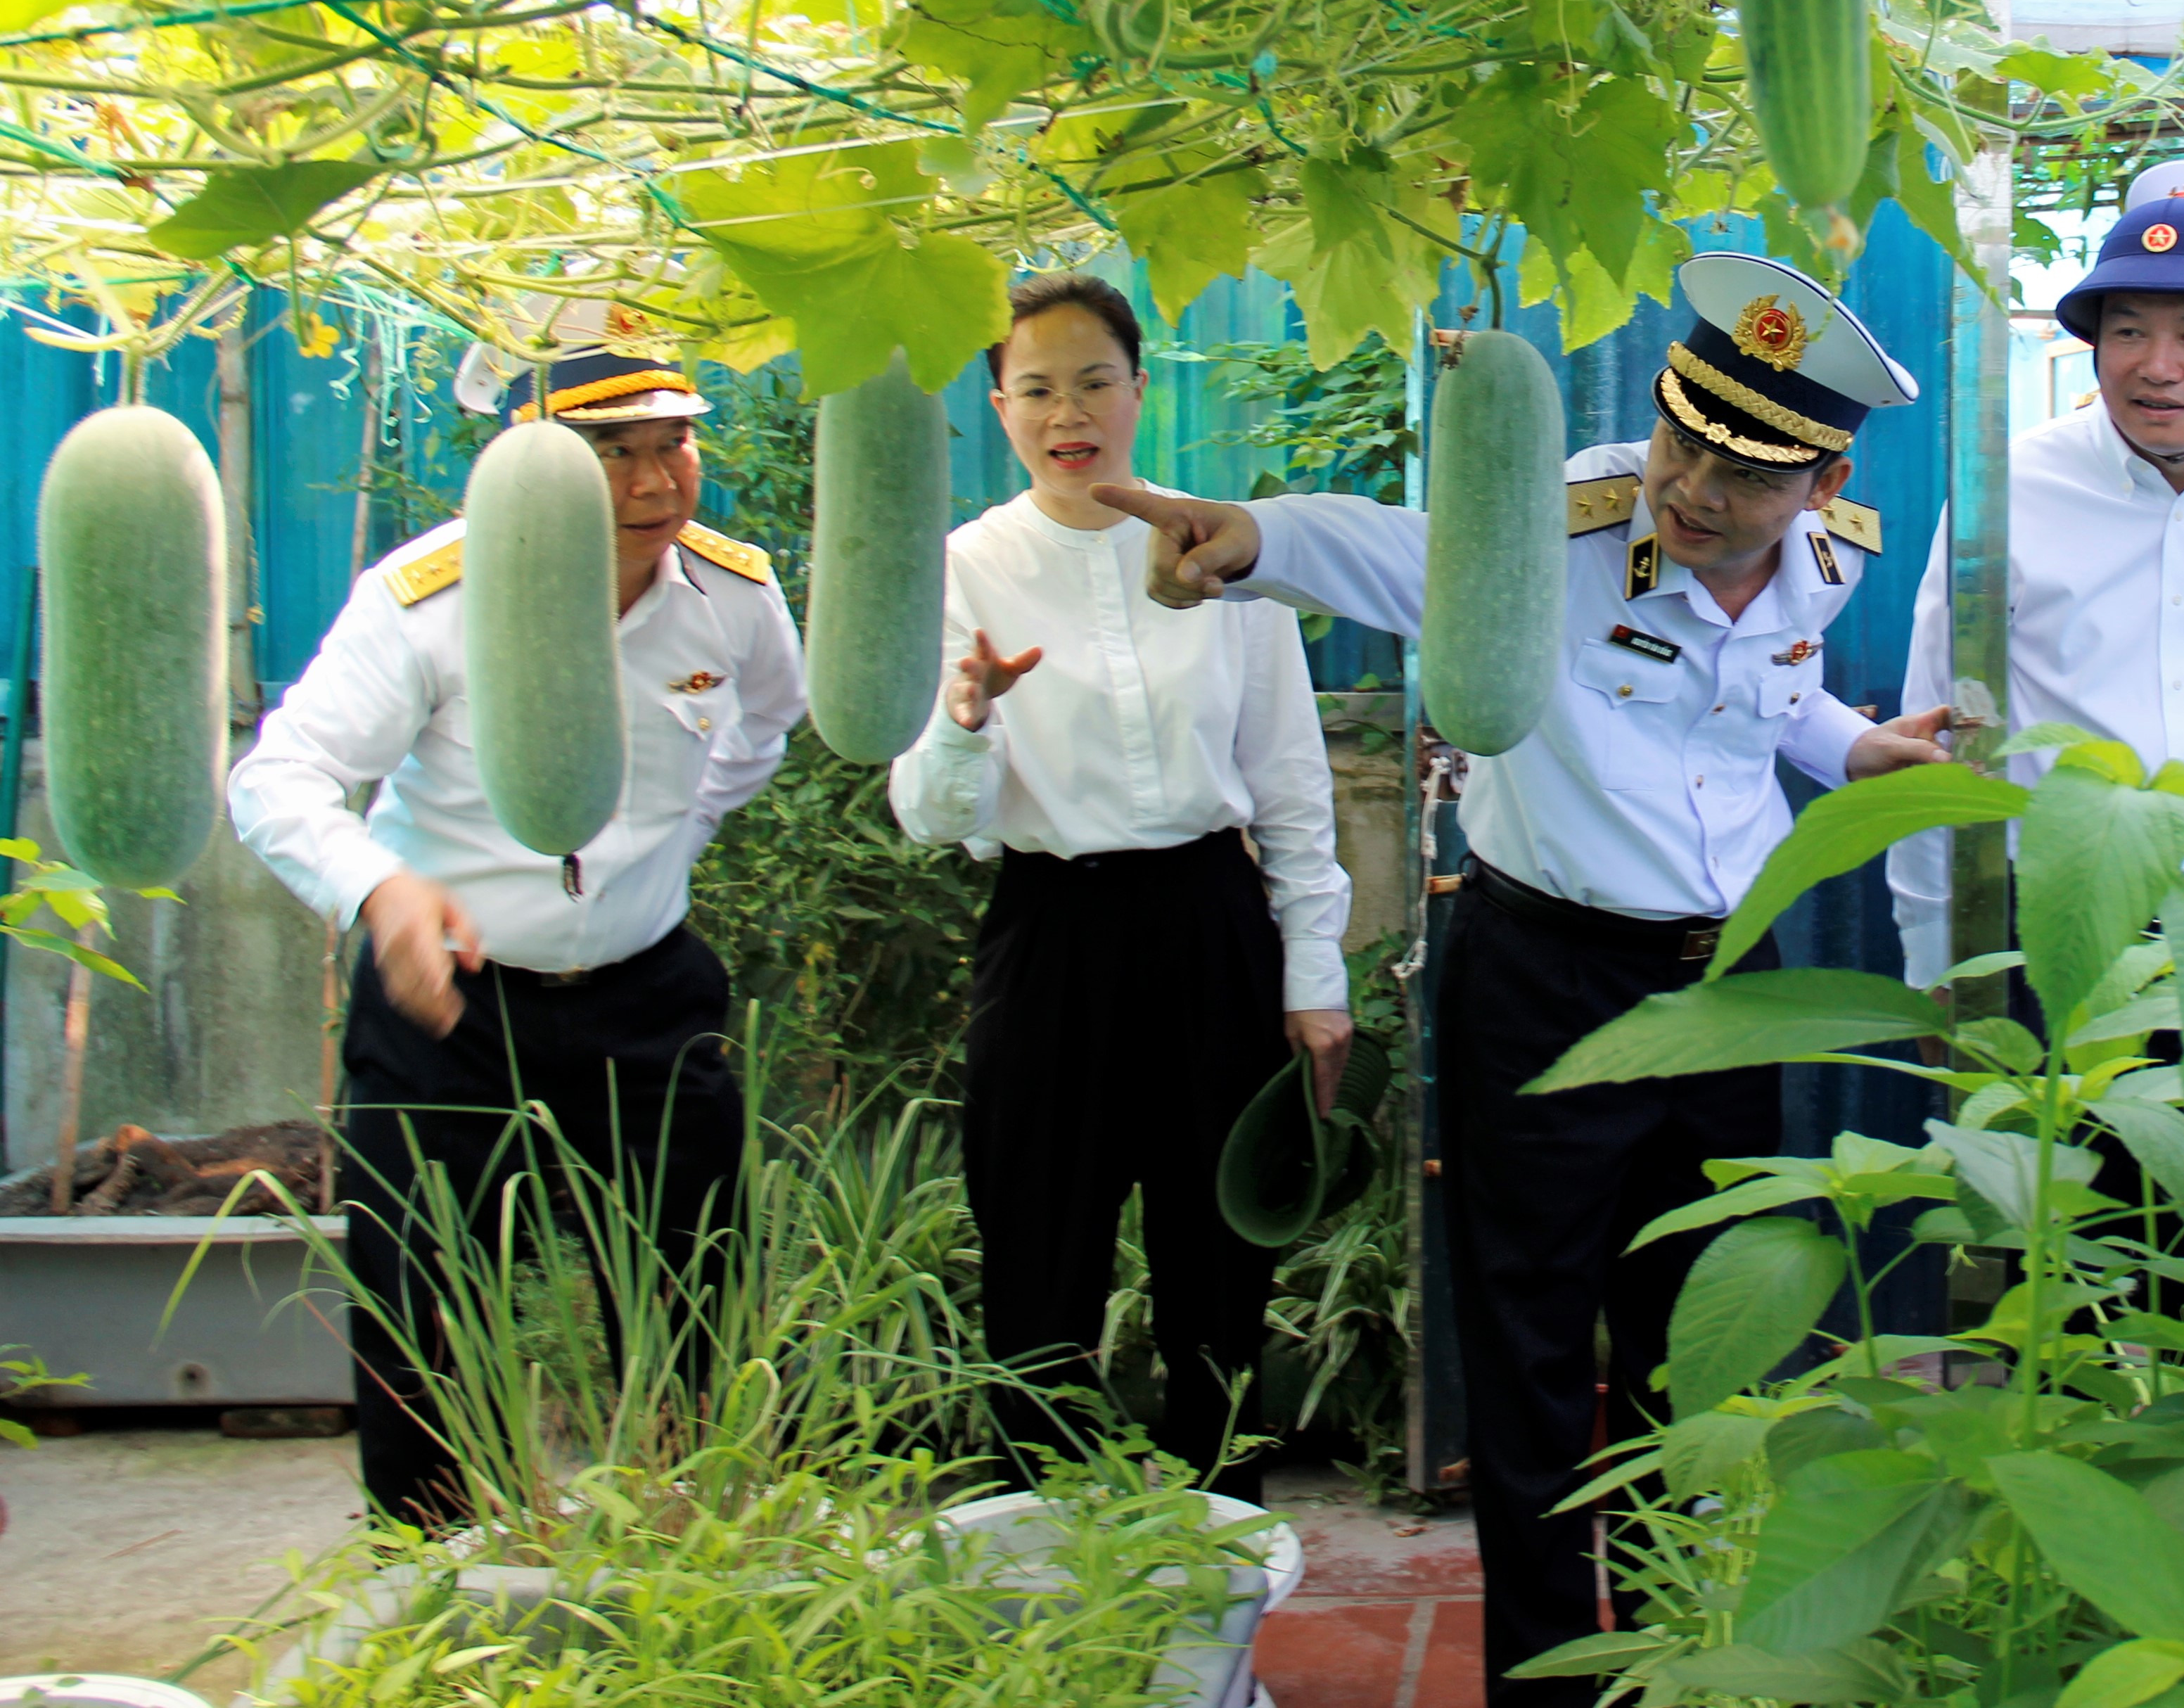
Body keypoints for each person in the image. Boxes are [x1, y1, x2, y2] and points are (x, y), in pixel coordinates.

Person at [1087, 255, 1948, 1708]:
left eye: (1744, 469)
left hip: (1728, 993)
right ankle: (1547, 1686)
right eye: (1686, 437)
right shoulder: (1568, 519)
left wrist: (1857, 748)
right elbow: (1398, 546)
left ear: (1823, 476)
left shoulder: (1836, 552)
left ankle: (1673, 1659)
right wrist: (1242, 537)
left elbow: (1772, 701)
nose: (1694, 487)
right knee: (1536, 1355)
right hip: (1544, 976)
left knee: (1699, 1342)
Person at [229, 301, 804, 1524]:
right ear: (527, 464)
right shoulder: (427, 598)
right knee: (419, 1303)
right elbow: (277, 780)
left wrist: (676, 838)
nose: (656, 479)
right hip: (449, 1006)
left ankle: (696, 1547)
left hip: (648, 994)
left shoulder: (732, 595)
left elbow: (765, 725)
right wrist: (381, 891)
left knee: (696, 1292)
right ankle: (439, 1587)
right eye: (612, 452)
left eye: (674, 440)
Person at [888, 271, 1353, 1478]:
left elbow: (1293, 787)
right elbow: (931, 818)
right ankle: (1045, 1552)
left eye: (1094, 379)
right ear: (998, 406)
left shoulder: (1218, 543)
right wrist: (963, 717)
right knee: (1038, 1249)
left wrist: (1314, 975)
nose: (1067, 410)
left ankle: (1223, 1528)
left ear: (1139, 388)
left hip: (1210, 921)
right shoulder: (964, 569)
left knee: (1218, 1259)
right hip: (1048, 932)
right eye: (1035, 387)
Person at [1888, 178, 2184, 981]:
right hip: (2062, 923)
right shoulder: (2007, 491)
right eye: (2128, 331)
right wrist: (1936, 969)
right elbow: (1940, 744)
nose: (2157, 368)